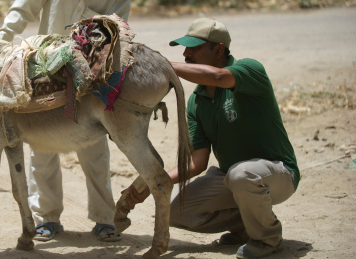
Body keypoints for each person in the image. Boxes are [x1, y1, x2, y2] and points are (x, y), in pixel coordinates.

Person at [124, 18, 300, 259]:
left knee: (242, 174)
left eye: (194, 47)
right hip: (233, 178)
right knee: (175, 212)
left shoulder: (250, 69)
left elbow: (218, 77)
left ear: (218, 50)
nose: (186, 53)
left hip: (278, 173)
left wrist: (160, 66)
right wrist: (155, 181)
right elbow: (198, 161)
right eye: (185, 48)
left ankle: (267, 239)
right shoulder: (196, 101)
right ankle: (245, 227)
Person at [0, 0, 133, 242]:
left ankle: (105, 219)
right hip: (42, 69)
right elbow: (25, 6)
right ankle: (47, 218)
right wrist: (0, 42)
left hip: (88, 75)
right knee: (42, 145)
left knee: (94, 148)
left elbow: (113, 34)